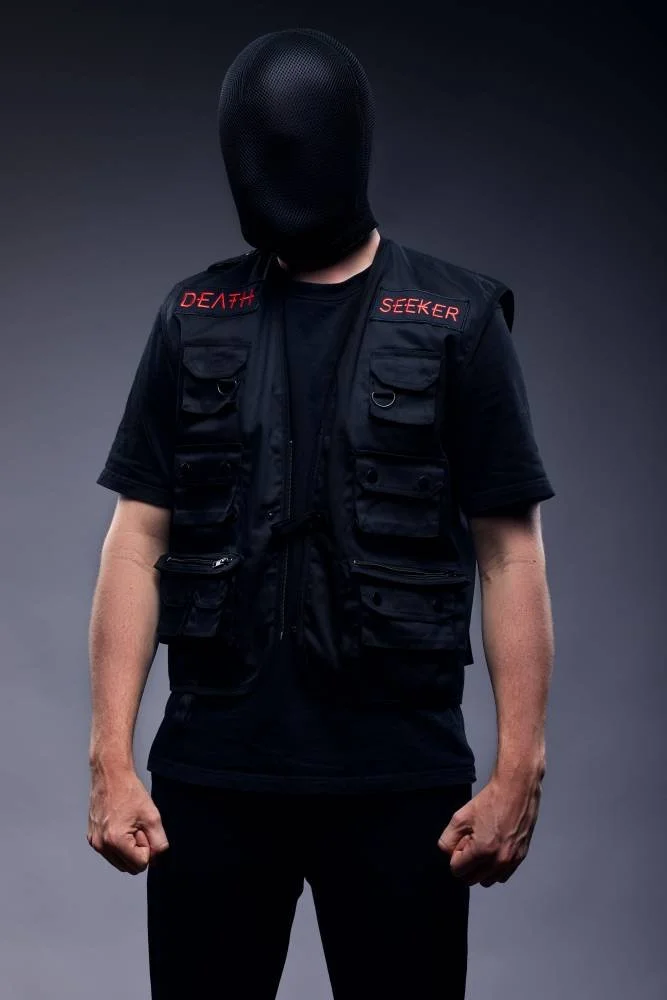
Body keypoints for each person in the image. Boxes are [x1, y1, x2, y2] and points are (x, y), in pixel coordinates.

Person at [87, 27, 556, 1000]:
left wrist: (520, 767)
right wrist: (109, 758)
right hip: (211, 779)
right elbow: (136, 539)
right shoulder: (192, 316)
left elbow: (510, 553)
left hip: (400, 783)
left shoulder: (457, 323)